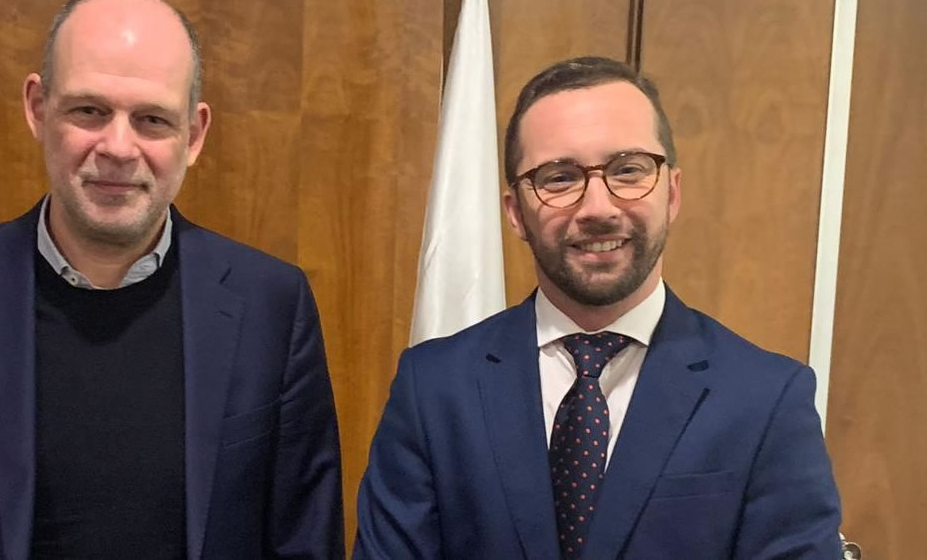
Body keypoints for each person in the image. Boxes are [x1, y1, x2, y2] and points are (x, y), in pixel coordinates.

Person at [0, 0, 344, 559]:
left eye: (152, 120)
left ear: (194, 135)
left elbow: (306, 541)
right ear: (37, 107)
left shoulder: (272, 308)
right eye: (89, 111)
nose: (118, 147)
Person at [355, 56, 840, 559]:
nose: (598, 208)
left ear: (671, 193)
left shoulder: (767, 398)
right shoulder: (433, 388)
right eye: (559, 177)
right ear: (516, 212)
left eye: (628, 170)